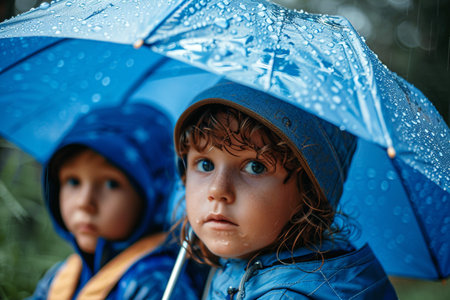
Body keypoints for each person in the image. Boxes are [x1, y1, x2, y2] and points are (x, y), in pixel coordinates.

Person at [173, 81, 398, 299]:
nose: (217, 189)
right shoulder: (241, 260)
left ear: (308, 194)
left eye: (255, 166)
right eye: (205, 164)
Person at [29, 103, 204, 299]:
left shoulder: (156, 283)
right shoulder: (61, 276)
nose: (84, 202)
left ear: (150, 197)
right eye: (73, 181)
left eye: (112, 184)